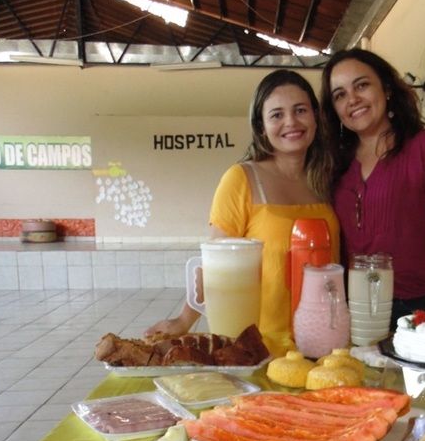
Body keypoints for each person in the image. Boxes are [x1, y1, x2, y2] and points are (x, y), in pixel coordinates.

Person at [145, 70, 340, 356]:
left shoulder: (326, 178)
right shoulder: (242, 179)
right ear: (261, 127)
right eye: (276, 115)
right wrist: (185, 319)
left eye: (300, 110)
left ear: (316, 117)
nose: (291, 122)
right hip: (259, 347)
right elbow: (215, 263)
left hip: (324, 342)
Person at [320, 48, 425, 325]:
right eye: (340, 95)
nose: (353, 99)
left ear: (387, 88)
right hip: (351, 313)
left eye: (362, 85)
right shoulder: (334, 164)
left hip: (417, 315)